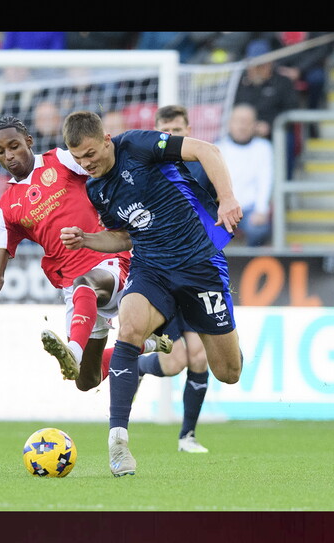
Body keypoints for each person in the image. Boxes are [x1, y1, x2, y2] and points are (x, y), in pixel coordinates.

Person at [60, 111, 244, 476]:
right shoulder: (96, 189)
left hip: (199, 267)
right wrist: (87, 239)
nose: (86, 163)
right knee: (127, 328)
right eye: (78, 158)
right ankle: (118, 441)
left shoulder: (138, 145)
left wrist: (226, 199)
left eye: (91, 154)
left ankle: (149, 348)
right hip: (152, 269)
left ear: (107, 139)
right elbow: (125, 236)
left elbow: (207, 150)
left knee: (228, 371)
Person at [0, 116, 172, 392]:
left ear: (29, 142)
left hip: (110, 263)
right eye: (0, 152)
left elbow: (105, 165)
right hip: (75, 287)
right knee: (86, 380)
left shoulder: (61, 160)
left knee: (87, 284)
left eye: (14, 146)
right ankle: (147, 344)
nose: (9, 156)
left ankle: (73, 350)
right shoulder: (3, 210)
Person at [148, 104, 217, 453]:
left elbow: (216, 215)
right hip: (161, 272)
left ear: (188, 128)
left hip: (197, 271)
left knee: (200, 357)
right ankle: (135, 361)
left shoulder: (203, 167)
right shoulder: (148, 169)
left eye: (178, 129)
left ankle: (187, 436)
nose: (172, 135)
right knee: (175, 362)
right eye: (166, 130)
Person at [234, 38, 300, 179]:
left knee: (286, 139)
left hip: (274, 130)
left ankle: (284, 184)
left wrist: (270, 124)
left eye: (261, 65)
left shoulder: (282, 82)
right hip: (244, 130)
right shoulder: (240, 83)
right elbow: (234, 108)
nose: (257, 69)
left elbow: (291, 108)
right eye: (254, 65)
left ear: (270, 64)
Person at [214, 103, 274, 247]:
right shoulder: (217, 148)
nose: (242, 126)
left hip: (249, 209)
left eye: (246, 122)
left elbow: (265, 181)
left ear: (254, 124)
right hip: (221, 208)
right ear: (230, 123)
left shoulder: (264, 148)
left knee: (258, 229)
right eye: (238, 121)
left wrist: (261, 210)